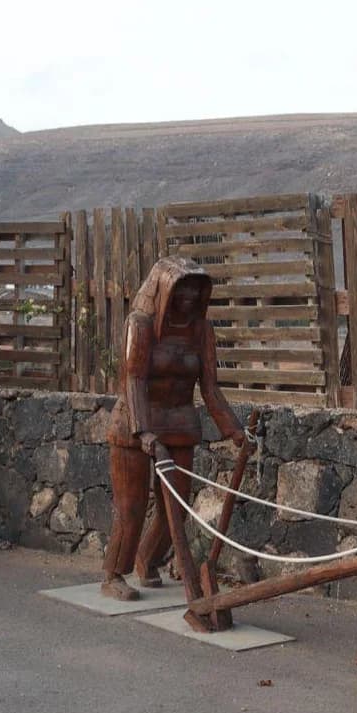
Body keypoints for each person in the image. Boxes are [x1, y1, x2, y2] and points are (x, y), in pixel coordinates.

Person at [100, 256, 241, 601]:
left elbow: (210, 387)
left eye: (196, 288)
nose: (189, 296)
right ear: (164, 289)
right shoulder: (141, 325)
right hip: (135, 425)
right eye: (182, 288)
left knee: (175, 508)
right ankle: (113, 573)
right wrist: (142, 431)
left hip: (179, 423)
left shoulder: (202, 331)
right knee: (131, 507)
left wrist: (235, 431)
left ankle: (147, 561)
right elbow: (132, 380)